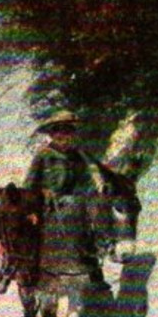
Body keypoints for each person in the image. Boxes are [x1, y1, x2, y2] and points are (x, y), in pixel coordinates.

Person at [25, 110, 110, 289]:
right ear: (52, 134)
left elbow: (90, 177)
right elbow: (29, 185)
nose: (64, 136)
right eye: (59, 131)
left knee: (93, 217)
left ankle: (93, 264)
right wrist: (43, 193)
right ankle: (23, 273)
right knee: (27, 236)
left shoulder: (77, 156)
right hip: (47, 206)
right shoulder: (43, 155)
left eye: (68, 131)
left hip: (74, 203)